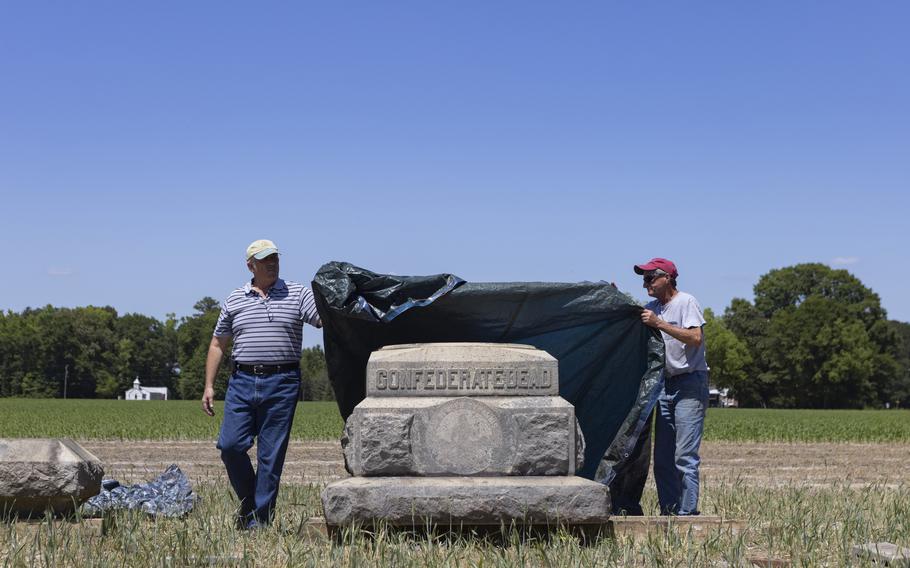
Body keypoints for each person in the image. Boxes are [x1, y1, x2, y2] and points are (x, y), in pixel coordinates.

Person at [202, 239, 322, 529]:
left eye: (275, 258)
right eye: (265, 259)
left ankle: (259, 523)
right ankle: (250, 504)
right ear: (250, 265)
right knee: (230, 446)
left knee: (270, 457)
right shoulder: (235, 298)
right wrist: (208, 385)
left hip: (282, 383)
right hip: (241, 381)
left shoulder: (297, 294)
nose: (272, 263)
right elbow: (218, 342)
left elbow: (322, 320)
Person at [635, 257, 708, 516]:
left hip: (689, 383)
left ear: (667, 277)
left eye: (650, 278)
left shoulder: (685, 302)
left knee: (684, 456)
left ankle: (687, 514)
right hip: (663, 386)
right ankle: (669, 512)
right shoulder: (652, 307)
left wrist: (660, 324)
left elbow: (695, 338)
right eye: (643, 279)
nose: (646, 284)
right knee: (663, 459)